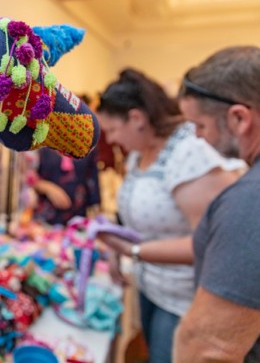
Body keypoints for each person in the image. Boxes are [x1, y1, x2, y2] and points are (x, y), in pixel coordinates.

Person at [96, 68, 243, 363]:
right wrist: (115, 243)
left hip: (183, 299)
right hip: (152, 287)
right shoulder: (139, 153)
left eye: (112, 130)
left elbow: (212, 242)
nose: (109, 140)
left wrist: (133, 250)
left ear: (137, 118)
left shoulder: (190, 152)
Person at [174, 46, 260, 363]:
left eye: (201, 125)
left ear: (239, 118)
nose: (198, 138)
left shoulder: (250, 199)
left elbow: (208, 349)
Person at [32, 147, 101, 226]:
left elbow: (93, 182)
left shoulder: (87, 143)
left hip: (78, 218)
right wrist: (47, 188)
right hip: (44, 220)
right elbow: (27, 177)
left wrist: (95, 218)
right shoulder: (39, 144)